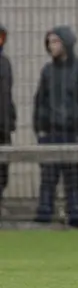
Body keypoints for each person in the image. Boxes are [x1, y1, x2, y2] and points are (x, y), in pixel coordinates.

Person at [33, 26, 78, 228]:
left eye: (55, 42)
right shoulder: (47, 71)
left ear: (66, 43)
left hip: (72, 134)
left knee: (72, 181)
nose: (51, 46)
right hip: (50, 133)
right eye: (49, 42)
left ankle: (76, 220)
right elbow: (40, 101)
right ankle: (43, 220)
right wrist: (40, 129)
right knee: (48, 180)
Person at [0, 24, 16, 214]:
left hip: (2, 125)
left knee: (3, 168)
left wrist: (10, 118)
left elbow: (6, 95)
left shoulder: (5, 63)